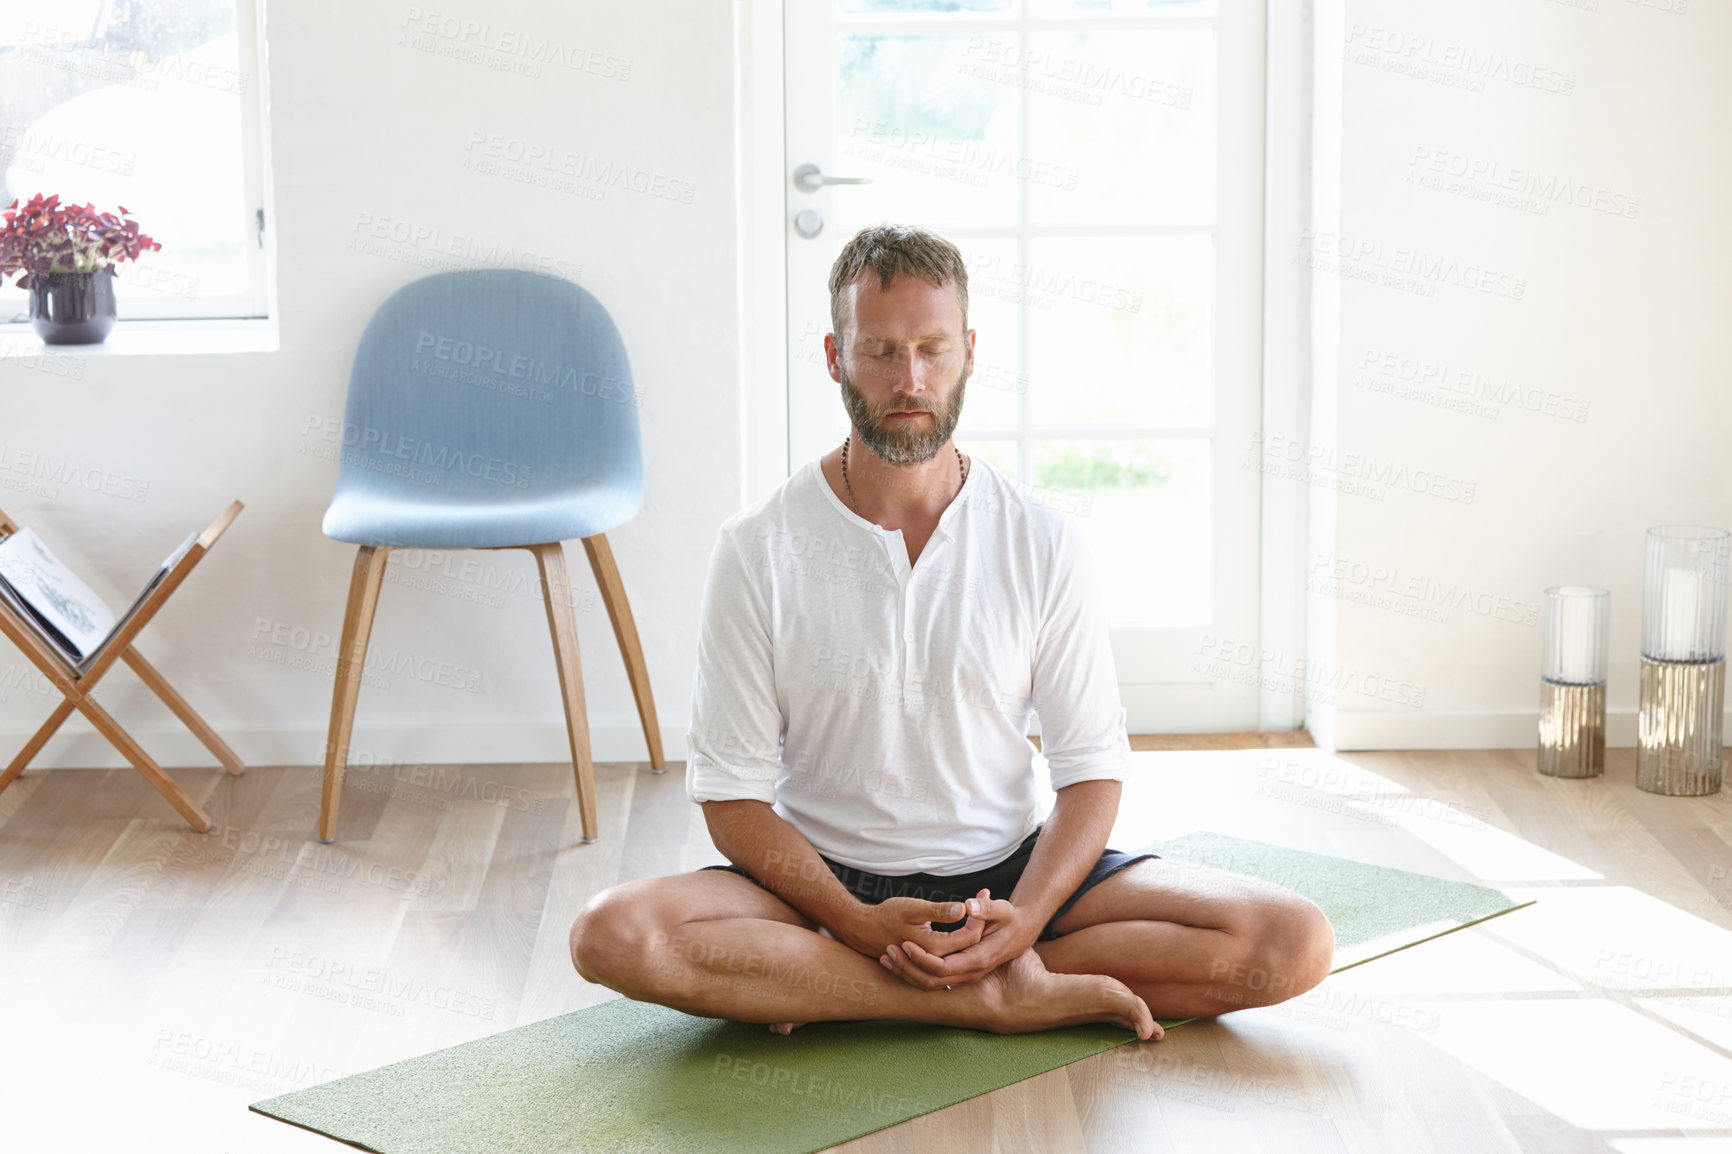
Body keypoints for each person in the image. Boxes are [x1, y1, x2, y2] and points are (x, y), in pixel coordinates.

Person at [569, 224, 1334, 1040]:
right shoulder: (757, 548)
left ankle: (856, 983)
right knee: (612, 935)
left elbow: (1091, 772)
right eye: (881, 352)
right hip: (818, 890)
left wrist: (1027, 917)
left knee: (1291, 942)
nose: (911, 379)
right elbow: (732, 799)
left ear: (969, 351)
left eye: (933, 349)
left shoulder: (1041, 540)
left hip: (1006, 876)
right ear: (834, 356)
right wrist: (854, 922)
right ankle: (989, 995)